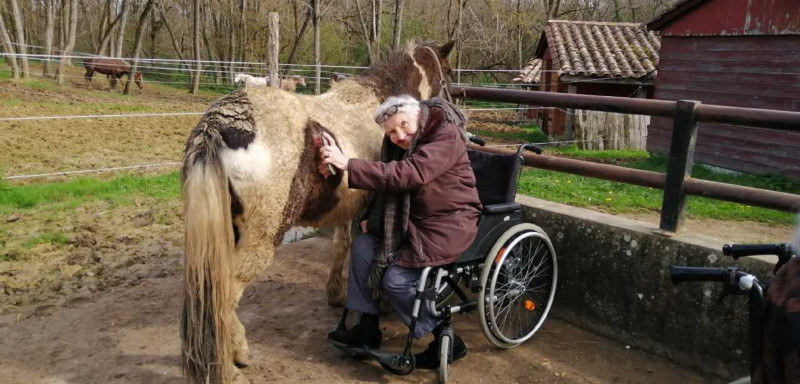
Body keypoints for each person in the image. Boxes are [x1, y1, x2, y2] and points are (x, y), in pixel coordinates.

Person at [320, 95, 482, 369]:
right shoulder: (402, 142)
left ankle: (445, 337)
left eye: (403, 125)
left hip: (448, 224)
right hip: (412, 222)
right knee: (362, 247)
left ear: (419, 116)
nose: (399, 135)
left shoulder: (446, 135)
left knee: (395, 279)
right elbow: (388, 187)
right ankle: (367, 328)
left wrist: (348, 163)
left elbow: (409, 174)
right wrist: (373, 220)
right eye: (392, 132)